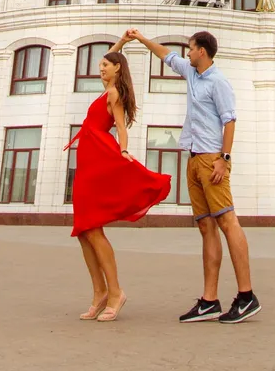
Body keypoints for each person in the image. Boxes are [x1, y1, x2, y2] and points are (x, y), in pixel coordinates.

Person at [122, 28, 261, 324]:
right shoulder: (192, 73)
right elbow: (166, 56)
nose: (187, 52)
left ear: (202, 51)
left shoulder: (218, 82)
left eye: (190, 48)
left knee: (227, 221)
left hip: (213, 161)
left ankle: (247, 296)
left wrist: (224, 159)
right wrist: (141, 38)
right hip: (194, 157)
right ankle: (209, 301)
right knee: (206, 226)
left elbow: (230, 120)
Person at [66, 47, 171, 322]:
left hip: (99, 161)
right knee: (83, 230)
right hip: (87, 164)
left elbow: (122, 127)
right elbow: (113, 54)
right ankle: (99, 292)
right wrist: (122, 40)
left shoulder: (113, 94)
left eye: (106, 65)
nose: (101, 68)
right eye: (99, 64)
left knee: (93, 229)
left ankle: (115, 293)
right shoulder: (105, 91)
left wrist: (124, 151)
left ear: (117, 69)